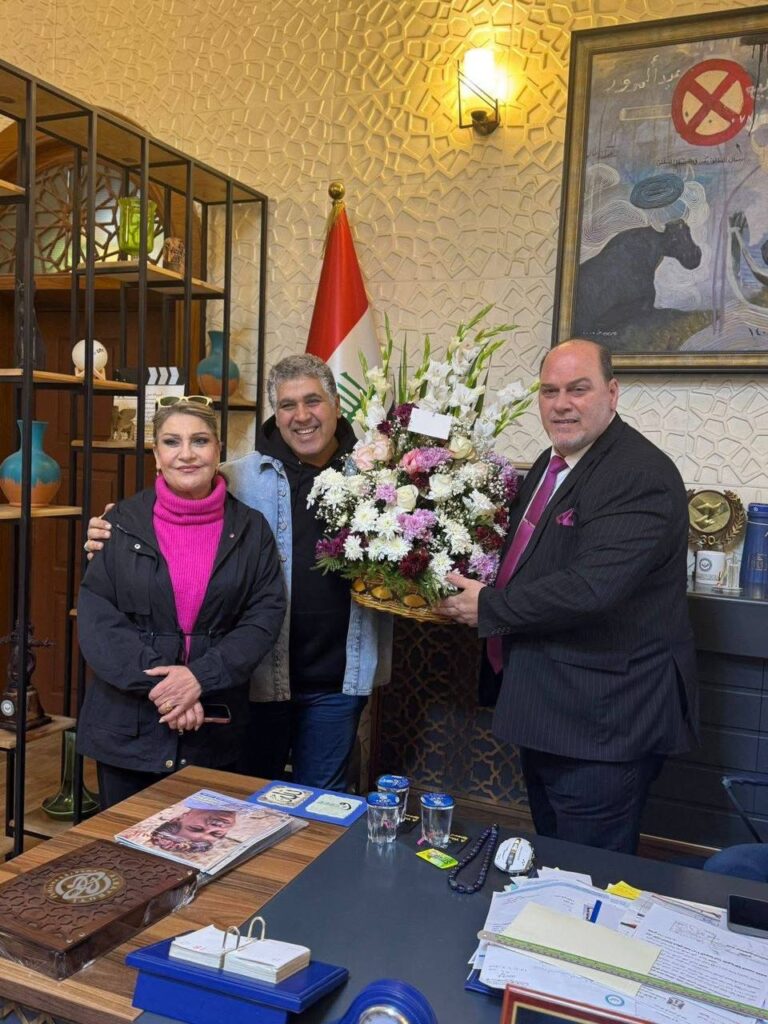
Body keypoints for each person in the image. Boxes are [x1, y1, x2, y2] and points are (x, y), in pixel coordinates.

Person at [85, 356, 392, 792]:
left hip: (335, 678)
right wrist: (110, 528)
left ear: (337, 405)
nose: (301, 416)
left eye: (313, 401)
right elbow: (177, 498)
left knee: (321, 807)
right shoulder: (236, 477)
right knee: (246, 805)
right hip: (255, 682)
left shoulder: (381, 479)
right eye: (287, 405)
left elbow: (265, 607)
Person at [439, 339, 698, 854]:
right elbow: (532, 558)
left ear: (612, 393)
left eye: (578, 390)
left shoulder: (638, 474)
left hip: (604, 723)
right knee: (557, 856)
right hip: (552, 707)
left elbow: (592, 586)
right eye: (550, 391)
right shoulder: (554, 461)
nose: (561, 405)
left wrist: (487, 605)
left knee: (591, 871)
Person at [77, 398, 286, 809]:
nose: (186, 453)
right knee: (126, 847)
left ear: (218, 450)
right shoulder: (119, 524)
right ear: (156, 455)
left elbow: (264, 617)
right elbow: (99, 618)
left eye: (200, 441)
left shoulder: (251, 529)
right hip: (128, 730)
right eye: (172, 442)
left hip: (216, 728)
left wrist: (199, 679)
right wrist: (169, 690)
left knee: (210, 845)